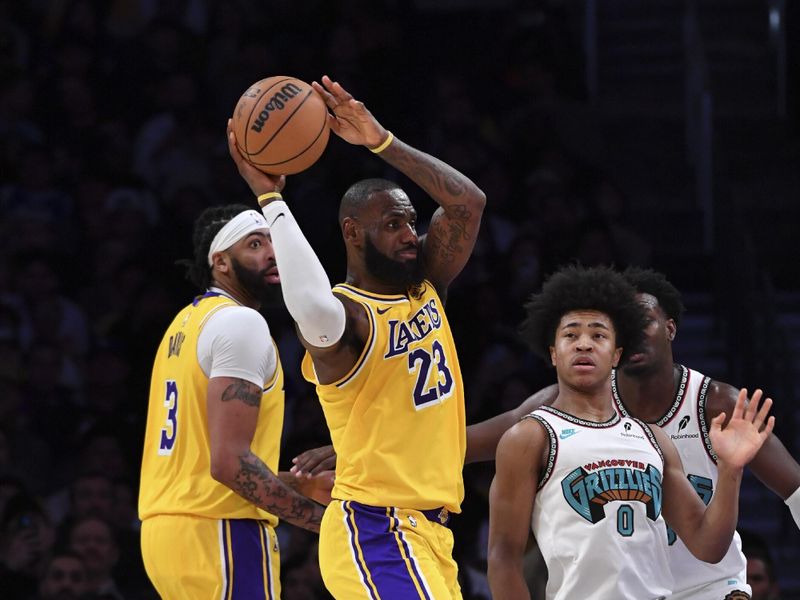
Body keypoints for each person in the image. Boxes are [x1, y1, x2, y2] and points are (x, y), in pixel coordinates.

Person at [228, 73, 486, 598]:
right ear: (352, 232)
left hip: (431, 536)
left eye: (412, 223)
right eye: (393, 224)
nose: (410, 235)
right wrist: (270, 200)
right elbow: (309, 306)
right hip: (378, 530)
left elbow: (468, 203)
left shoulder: (424, 287)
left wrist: (381, 141)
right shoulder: (349, 319)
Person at [469, 266, 800, 598]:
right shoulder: (549, 417)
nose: (585, 344)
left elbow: (790, 491)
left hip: (709, 586)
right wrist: (420, 450)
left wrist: (730, 469)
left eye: (599, 334)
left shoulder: (710, 406)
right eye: (572, 335)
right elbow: (468, 444)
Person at [138, 204, 330, 599]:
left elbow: (203, 464)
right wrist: (321, 521)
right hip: (221, 532)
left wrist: (298, 485)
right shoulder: (241, 323)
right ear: (221, 263)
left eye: (275, 242)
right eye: (256, 244)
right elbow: (229, 464)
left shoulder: (182, 326)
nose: (273, 253)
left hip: (167, 534)